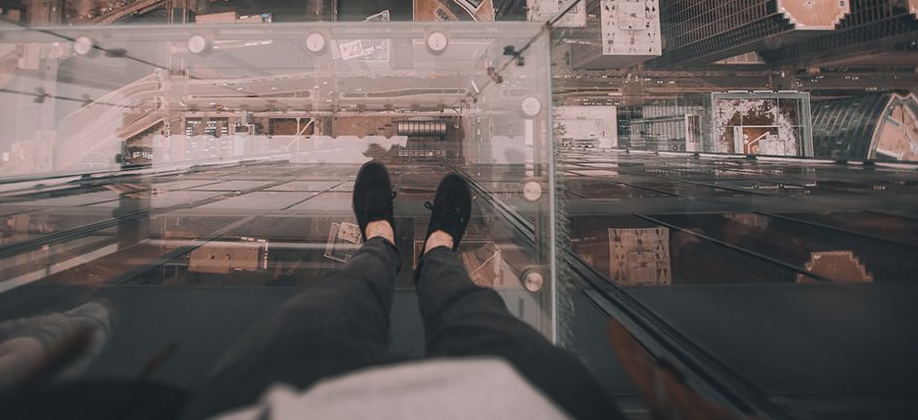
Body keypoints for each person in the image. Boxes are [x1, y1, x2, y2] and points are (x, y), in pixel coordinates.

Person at [182, 162, 622, 420]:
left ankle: (380, 237)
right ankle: (437, 246)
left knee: (339, 299)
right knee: (471, 308)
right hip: (525, 404)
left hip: (282, 400)